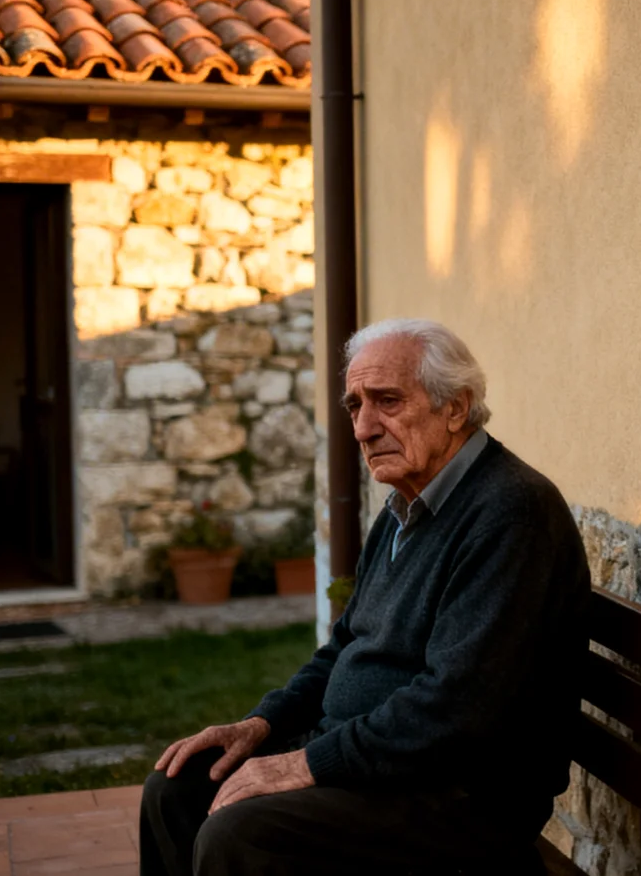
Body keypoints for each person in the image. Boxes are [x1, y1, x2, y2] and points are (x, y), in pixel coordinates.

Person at [140, 319, 591, 876]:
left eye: (388, 401)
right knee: (178, 787)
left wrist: (306, 763)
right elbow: (347, 645)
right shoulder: (405, 507)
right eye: (355, 405)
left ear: (456, 408)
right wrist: (262, 725)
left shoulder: (512, 514)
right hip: (379, 764)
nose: (363, 427)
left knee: (244, 834)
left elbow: (458, 708)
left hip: (463, 797)